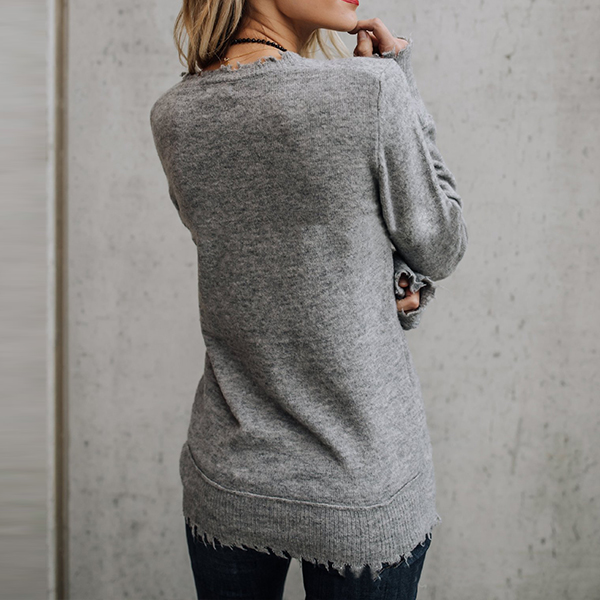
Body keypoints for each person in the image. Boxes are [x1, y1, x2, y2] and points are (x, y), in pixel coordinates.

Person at [149, 0, 468, 598]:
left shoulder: (174, 116)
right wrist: (400, 79)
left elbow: (265, 264)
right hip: (359, 480)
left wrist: (383, 285)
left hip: (231, 471)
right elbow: (442, 244)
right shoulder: (369, 90)